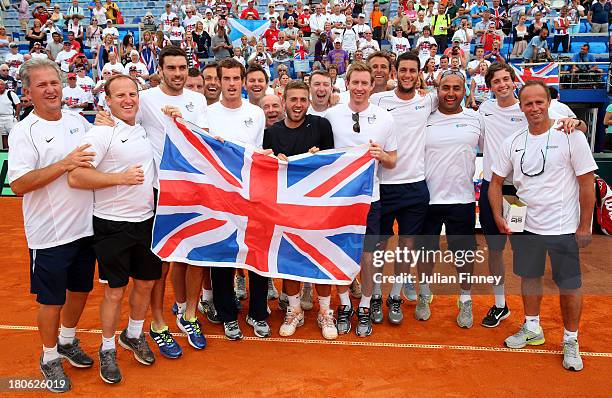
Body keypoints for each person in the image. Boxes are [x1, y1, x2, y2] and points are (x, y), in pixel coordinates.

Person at [489, 80, 597, 371]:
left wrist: (585, 225)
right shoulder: (513, 141)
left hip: (563, 227)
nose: (534, 108)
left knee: (569, 285)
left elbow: (587, 183)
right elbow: (495, 182)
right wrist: (499, 216)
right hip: (527, 226)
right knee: (529, 277)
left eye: (539, 102)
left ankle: (570, 340)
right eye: (528, 103)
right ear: (521, 106)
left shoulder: (570, 135)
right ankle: (533, 327)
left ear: (548, 102)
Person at [8, 58, 96, 393]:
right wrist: (64, 164)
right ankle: (48, 358)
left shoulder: (76, 121)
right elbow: (18, 184)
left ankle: (67, 341)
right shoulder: (24, 132)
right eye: (42, 85)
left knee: (81, 289)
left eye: (54, 83)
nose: (50, 90)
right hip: (49, 235)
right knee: (51, 300)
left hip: (84, 227)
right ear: (28, 92)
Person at [477, 63, 585, 328]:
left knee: (524, 252)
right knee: (495, 250)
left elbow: (575, 125)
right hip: (495, 185)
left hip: (520, 193)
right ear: (489, 87)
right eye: (496, 82)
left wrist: (579, 122)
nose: (502, 85)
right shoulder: (484, 110)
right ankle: (500, 305)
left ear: (514, 81)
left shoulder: (532, 103)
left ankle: (536, 321)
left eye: (506, 79)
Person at [67, 74, 159, 384]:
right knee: (115, 291)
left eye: (132, 93)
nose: (128, 100)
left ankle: (133, 335)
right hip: (111, 223)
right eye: (120, 95)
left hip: (147, 221)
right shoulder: (101, 134)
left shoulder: (143, 129)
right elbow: (76, 177)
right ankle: (107, 348)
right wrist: (120, 178)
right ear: (108, 100)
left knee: (146, 283)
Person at [325, 61, 397, 337]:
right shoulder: (331, 116)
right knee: (340, 253)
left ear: (372, 85)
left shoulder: (386, 118)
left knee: (367, 257)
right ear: (347, 84)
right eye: (354, 82)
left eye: (364, 83)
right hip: (338, 200)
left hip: (371, 199)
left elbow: (393, 159)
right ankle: (344, 304)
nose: (359, 88)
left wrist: (383, 157)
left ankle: (365, 306)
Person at [263, 81, 337, 339]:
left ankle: (325, 311)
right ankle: (294, 310)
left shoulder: (321, 126)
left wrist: (319, 158)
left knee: (322, 258)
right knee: (290, 260)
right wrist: (274, 162)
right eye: (292, 100)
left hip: (318, 207)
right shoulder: (272, 132)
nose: (297, 105)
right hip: (285, 210)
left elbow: (333, 165)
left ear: (308, 101)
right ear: (284, 102)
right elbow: (266, 170)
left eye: (302, 100)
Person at [368, 53, 434, 324]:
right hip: (382, 186)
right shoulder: (377, 100)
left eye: (412, 71)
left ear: (419, 74)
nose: (407, 75)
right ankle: (373, 296)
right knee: (379, 247)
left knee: (407, 245)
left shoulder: (428, 100)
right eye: (403, 70)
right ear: (396, 72)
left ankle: (394, 296)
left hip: (415, 186)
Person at [205, 58, 269, 340]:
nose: (231, 84)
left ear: (242, 81)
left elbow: (258, 151)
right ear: (217, 81)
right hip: (218, 197)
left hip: (251, 195)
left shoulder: (256, 113)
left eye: (235, 78)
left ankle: (257, 312)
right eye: (225, 78)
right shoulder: (206, 114)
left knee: (256, 255)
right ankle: (228, 313)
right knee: (222, 258)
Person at [416, 70, 484, 329]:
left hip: (463, 199)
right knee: (425, 253)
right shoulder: (425, 118)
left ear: (465, 90)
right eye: (446, 87)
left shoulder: (475, 118)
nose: (451, 93)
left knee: (463, 255)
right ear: (437, 89)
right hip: (427, 198)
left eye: (457, 88)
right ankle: (424, 293)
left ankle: (465, 299)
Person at [0, 79, 20, 149]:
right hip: (0, 118)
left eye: (2, 84)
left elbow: (18, 104)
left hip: (9, 117)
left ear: (5, 85)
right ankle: (5, 150)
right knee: (3, 135)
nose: (0, 86)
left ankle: (15, 149)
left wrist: (16, 116)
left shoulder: (10, 94)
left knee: (13, 134)